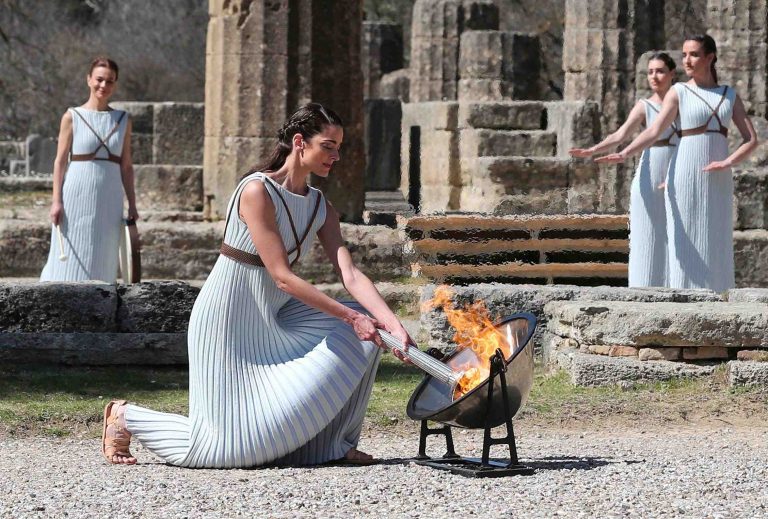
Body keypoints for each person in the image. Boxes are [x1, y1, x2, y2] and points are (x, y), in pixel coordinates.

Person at [101, 103, 413, 467]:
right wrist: (350, 317)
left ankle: (332, 445)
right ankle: (126, 417)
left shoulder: (321, 207)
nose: (336, 156)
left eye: (339, 147)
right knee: (224, 449)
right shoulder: (256, 191)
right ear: (300, 142)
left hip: (275, 318)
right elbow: (281, 276)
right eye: (328, 146)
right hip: (227, 318)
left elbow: (351, 275)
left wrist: (393, 325)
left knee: (368, 332)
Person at [596, 35, 758, 292]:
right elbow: (653, 131)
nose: (687, 60)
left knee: (716, 240)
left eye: (693, 54)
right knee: (684, 243)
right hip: (684, 173)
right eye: (684, 55)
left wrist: (727, 161)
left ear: (710, 57)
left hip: (718, 178)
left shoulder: (729, 95)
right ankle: (683, 302)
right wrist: (625, 153)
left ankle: (719, 302)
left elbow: (751, 140)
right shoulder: (679, 91)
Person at [571, 52, 680, 287]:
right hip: (651, 170)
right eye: (650, 72)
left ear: (672, 74)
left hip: (677, 165)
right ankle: (644, 286)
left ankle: (677, 285)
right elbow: (620, 135)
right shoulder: (645, 105)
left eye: (660, 71)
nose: (654, 76)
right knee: (649, 232)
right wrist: (593, 150)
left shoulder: (683, 101)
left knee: (678, 231)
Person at [40, 57, 138, 283]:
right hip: (76, 192)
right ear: (89, 79)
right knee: (69, 251)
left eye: (110, 81)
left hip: (110, 194)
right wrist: (56, 201)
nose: (103, 86)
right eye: (99, 79)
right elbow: (60, 162)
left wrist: (132, 204)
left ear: (115, 84)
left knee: (104, 249)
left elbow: (126, 166)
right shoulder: (72, 116)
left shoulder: (122, 119)